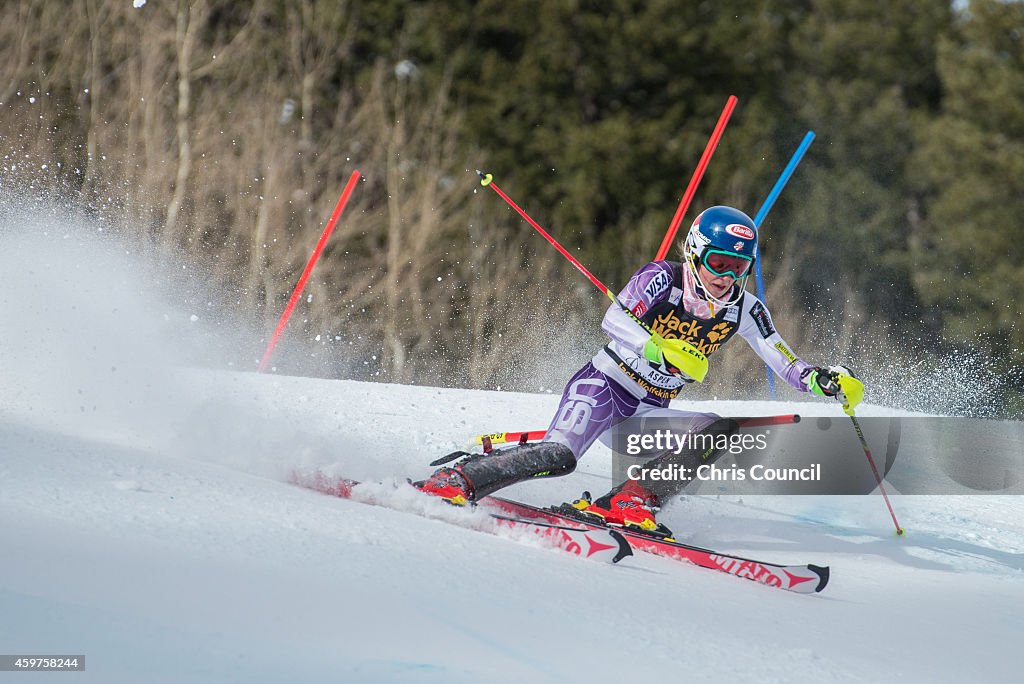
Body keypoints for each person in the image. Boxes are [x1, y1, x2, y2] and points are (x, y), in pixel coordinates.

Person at [417, 206, 863, 536]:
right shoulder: (662, 278)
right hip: (604, 388)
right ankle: (459, 479)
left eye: (738, 266)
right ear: (696, 252)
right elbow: (613, 321)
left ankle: (632, 500)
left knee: (719, 429)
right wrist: (658, 349)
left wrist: (823, 380)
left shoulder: (744, 307)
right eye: (719, 263)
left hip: (645, 414)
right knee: (559, 458)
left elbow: (783, 360)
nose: (726, 277)